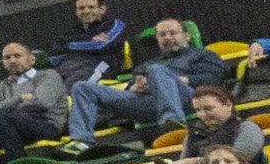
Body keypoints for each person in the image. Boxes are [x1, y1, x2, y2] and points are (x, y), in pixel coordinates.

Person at [69, 19, 226, 147]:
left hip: (188, 98)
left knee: (157, 70)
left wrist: (184, 80)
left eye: (173, 33)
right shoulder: (147, 64)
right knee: (82, 87)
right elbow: (132, 86)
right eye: (162, 35)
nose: (168, 38)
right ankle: (81, 140)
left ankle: (172, 121)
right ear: (157, 39)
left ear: (186, 35)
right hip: (148, 103)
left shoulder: (203, 55)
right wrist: (135, 87)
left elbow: (214, 78)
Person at [156, 86, 263, 164]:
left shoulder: (247, 128)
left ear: (228, 105)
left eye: (208, 108)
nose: (203, 115)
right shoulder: (192, 135)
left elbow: (238, 157)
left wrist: (196, 161)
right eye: (198, 110)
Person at [51, 0, 130, 90]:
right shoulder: (71, 31)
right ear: (76, 12)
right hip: (68, 66)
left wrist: (69, 45)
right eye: (81, 8)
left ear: (102, 9)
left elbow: (100, 46)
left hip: (101, 64)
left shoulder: (115, 24)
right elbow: (57, 48)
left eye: (91, 7)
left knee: (75, 87)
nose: (86, 11)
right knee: (48, 81)